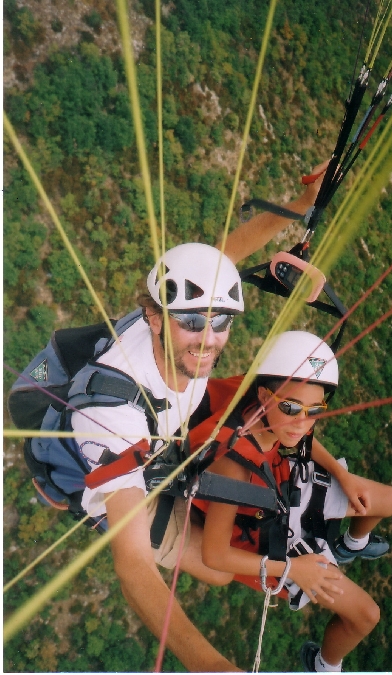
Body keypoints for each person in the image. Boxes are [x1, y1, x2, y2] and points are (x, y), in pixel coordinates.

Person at [72, 162, 330, 673]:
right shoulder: (111, 416)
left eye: (221, 320)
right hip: (129, 468)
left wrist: (304, 205)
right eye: (191, 321)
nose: (209, 338)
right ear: (152, 316)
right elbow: (135, 569)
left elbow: (223, 257)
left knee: (214, 567)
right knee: (211, 570)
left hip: (164, 433)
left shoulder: (164, 318)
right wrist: (215, 668)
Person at [189, 331, 392, 672]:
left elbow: (298, 434)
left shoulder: (268, 398)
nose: (302, 422)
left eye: (315, 410)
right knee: (365, 616)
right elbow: (213, 555)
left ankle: (349, 547)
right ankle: (324, 666)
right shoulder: (233, 466)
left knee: (389, 499)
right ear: (264, 395)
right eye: (291, 407)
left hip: (283, 478)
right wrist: (293, 569)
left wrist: (342, 476)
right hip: (265, 529)